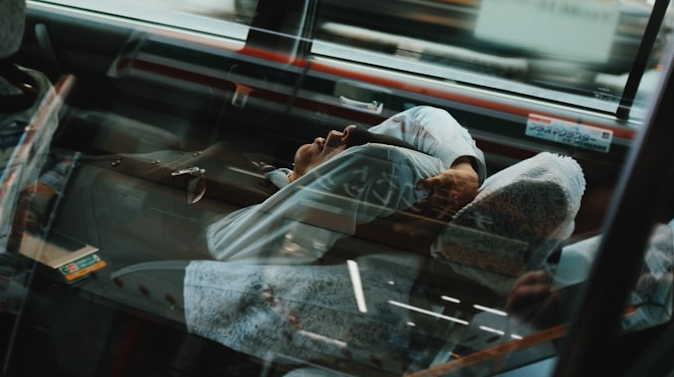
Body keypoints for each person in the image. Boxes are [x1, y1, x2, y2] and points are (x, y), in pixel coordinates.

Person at [204, 105, 486, 263]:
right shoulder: (269, 176)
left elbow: (385, 157)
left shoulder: (281, 217)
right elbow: (421, 118)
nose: (339, 133)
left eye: (348, 150)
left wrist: (464, 169)